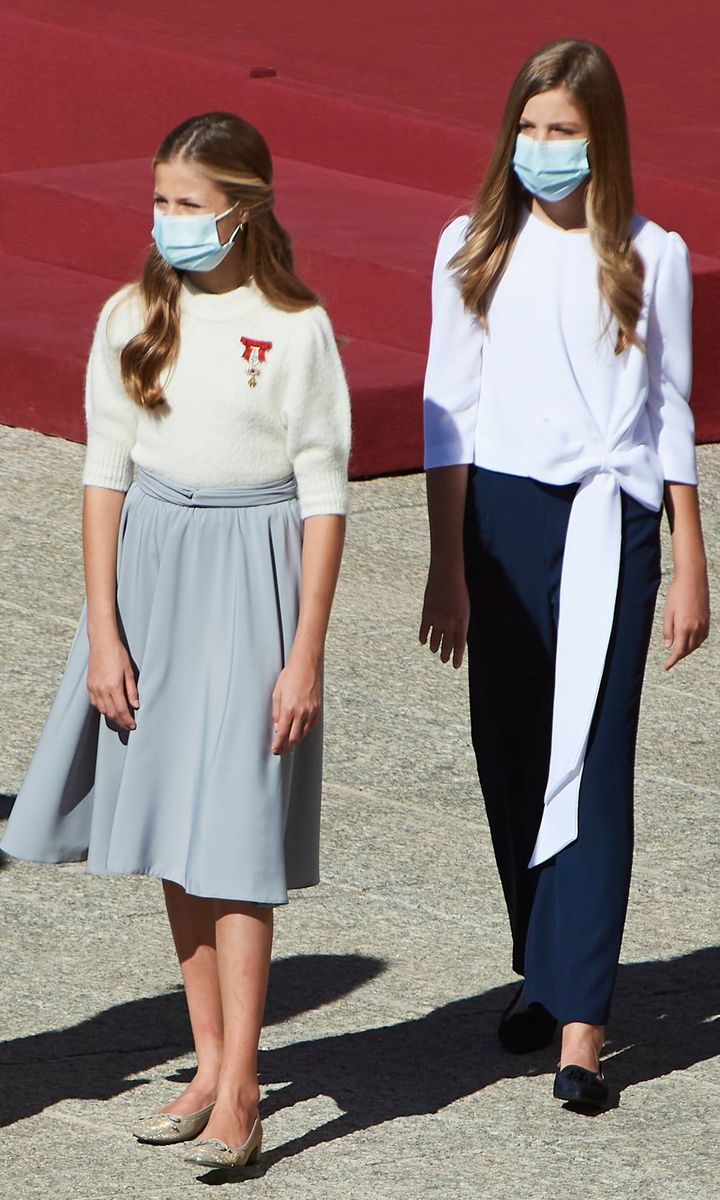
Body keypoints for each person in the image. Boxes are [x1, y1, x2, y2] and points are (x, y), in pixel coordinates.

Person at [2, 112, 351, 1167]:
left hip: (251, 576)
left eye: (189, 205)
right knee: (173, 832)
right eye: (160, 202)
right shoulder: (128, 317)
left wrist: (305, 652)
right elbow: (104, 474)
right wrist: (105, 632)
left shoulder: (295, 328)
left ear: (242, 210)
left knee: (235, 834)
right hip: (152, 571)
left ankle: (244, 1084)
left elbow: (325, 495)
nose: (169, 222)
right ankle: (205, 1060)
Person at [419, 40, 710, 1110]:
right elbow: (446, 414)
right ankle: (541, 972)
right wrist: (444, 564)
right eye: (531, 130)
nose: (545, 150)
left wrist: (689, 560)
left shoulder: (649, 252)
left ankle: (581, 1024)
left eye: (566, 133)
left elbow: (671, 410)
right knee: (510, 751)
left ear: (603, 142)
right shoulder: (471, 246)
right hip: (500, 522)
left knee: (591, 762)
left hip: (609, 524)